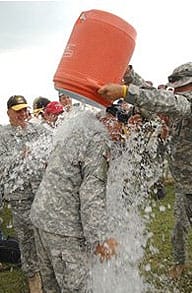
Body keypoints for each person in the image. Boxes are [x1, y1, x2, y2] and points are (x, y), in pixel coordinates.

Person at [98, 62, 192, 279]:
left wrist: (124, 91)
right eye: (175, 87)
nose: (177, 91)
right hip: (183, 185)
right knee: (178, 228)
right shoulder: (179, 103)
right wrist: (130, 77)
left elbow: (170, 101)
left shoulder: (185, 104)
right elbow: (157, 98)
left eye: (182, 87)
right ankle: (179, 263)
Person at [30, 104, 120, 292]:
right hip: (64, 230)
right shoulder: (97, 141)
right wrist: (99, 240)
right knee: (78, 288)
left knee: (51, 286)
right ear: (109, 121)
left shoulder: (75, 133)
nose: (120, 133)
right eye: (120, 125)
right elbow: (91, 194)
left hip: (41, 218)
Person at [0, 95, 51, 292]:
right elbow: (2, 165)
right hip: (20, 197)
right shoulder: (3, 135)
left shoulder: (37, 130)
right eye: (18, 110)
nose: (22, 114)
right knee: (26, 238)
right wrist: (19, 156)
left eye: (24, 110)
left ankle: (49, 273)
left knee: (45, 234)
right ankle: (33, 279)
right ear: (8, 113)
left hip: (41, 191)